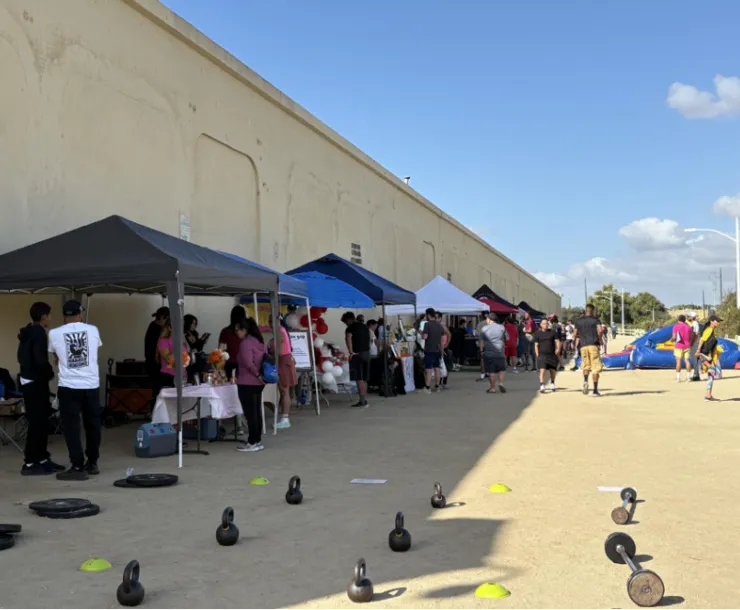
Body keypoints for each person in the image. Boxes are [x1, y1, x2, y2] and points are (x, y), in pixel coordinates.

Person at [47, 300, 103, 481]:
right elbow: (94, 350)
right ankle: (93, 462)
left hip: (69, 386)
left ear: (64, 316)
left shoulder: (54, 333)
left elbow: (55, 357)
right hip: (91, 385)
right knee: (93, 424)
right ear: (80, 314)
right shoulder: (93, 330)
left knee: (72, 427)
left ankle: (77, 465)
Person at [17, 302, 64, 476]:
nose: (50, 318)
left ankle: (42, 458)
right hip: (35, 383)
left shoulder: (28, 331)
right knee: (37, 423)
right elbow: (39, 359)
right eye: (49, 315)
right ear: (44, 316)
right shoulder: (38, 333)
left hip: (29, 380)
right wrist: (49, 372)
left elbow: (22, 357)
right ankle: (30, 463)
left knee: (42, 422)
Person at [234, 318, 267, 451]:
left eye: (239, 329)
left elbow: (248, 363)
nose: (237, 332)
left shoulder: (245, 343)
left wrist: (257, 374)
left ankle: (252, 441)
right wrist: (260, 376)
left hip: (247, 381)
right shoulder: (259, 341)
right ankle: (257, 440)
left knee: (250, 413)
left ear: (245, 330)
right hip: (258, 382)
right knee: (256, 411)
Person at [270, 315, 297, 429]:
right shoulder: (281, 331)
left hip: (283, 362)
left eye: (271, 321)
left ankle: (285, 418)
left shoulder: (280, 332)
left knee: (284, 391)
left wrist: (271, 349)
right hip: (284, 361)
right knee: (284, 391)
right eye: (269, 321)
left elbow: (280, 351)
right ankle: (284, 416)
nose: (270, 324)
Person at [573, 304, 603, 397]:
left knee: (585, 365)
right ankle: (595, 390)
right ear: (592, 311)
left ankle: (585, 381)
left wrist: (580, 337)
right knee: (595, 367)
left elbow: (574, 334)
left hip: (583, 345)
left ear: (585, 310)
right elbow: (600, 330)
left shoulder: (578, 321)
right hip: (593, 344)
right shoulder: (595, 320)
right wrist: (599, 339)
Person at [343, 312, 371, 407]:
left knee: (359, 378)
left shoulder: (350, 328)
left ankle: (362, 401)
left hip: (357, 354)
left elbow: (348, 338)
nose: (345, 324)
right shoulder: (364, 326)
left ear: (348, 320)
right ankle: (364, 399)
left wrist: (351, 352)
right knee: (365, 378)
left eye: (345, 322)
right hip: (367, 353)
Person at [479, 311, 508, 394]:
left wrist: (481, 351)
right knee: (501, 369)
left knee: (492, 371)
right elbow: (506, 338)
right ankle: (501, 383)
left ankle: (492, 388)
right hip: (500, 352)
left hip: (489, 352)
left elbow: (481, 341)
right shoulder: (502, 327)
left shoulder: (484, 328)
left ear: (489, 319)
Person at [422, 308, 449, 394]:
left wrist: (421, 333)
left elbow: (425, 337)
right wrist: (441, 349)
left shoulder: (427, 324)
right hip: (438, 350)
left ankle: (427, 387)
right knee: (437, 368)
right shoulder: (439, 325)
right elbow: (441, 338)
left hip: (429, 349)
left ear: (428, 315)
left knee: (428, 369)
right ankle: (437, 387)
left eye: (426, 315)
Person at [145, 306, 169, 401]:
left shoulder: (153, 327)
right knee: (157, 390)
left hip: (154, 363)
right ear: (163, 317)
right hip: (155, 364)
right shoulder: (156, 328)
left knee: (157, 389)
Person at [696, 315, 722, 401]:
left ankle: (708, 395)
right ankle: (708, 395)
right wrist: (698, 350)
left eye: (719, 321)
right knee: (713, 372)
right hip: (705, 355)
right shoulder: (709, 330)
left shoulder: (711, 330)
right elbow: (702, 340)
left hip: (708, 355)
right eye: (717, 321)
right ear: (711, 321)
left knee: (711, 375)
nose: (718, 323)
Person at [219, 306, 247, 380]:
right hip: (244, 363)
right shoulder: (245, 331)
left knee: (229, 387)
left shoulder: (225, 331)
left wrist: (220, 367)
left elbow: (220, 351)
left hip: (230, 363)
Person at [534, 318, 561, 393]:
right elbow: (536, 345)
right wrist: (537, 355)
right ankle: (542, 385)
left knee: (553, 371)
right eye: (544, 323)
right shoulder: (537, 334)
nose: (546, 325)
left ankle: (552, 383)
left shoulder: (553, 332)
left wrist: (558, 348)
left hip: (552, 354)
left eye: (547, 323)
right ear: (541, 325)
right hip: (542, 355)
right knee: (542, 370)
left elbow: (557, 341)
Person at [672, 314, 692, 382]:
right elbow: (690, 337)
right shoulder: (688, 327)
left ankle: (678, 378)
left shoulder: (676, 327)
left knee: (678, 361)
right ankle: (688, 377)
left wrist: (671, 340)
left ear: (678, 320)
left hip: (679, 345)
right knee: (687, 361)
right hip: (687, 345)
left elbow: (674, 337)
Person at [687, 311, 702, 382]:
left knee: (695, 359)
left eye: (689, 316)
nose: (688, 318)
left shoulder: (694, 324)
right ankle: (696, 374)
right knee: (696, 359)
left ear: (692, 317)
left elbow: (694, 334)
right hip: (696, 342)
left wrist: (691, 343)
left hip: (695, 343)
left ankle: (696, 375)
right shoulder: (695, 324)